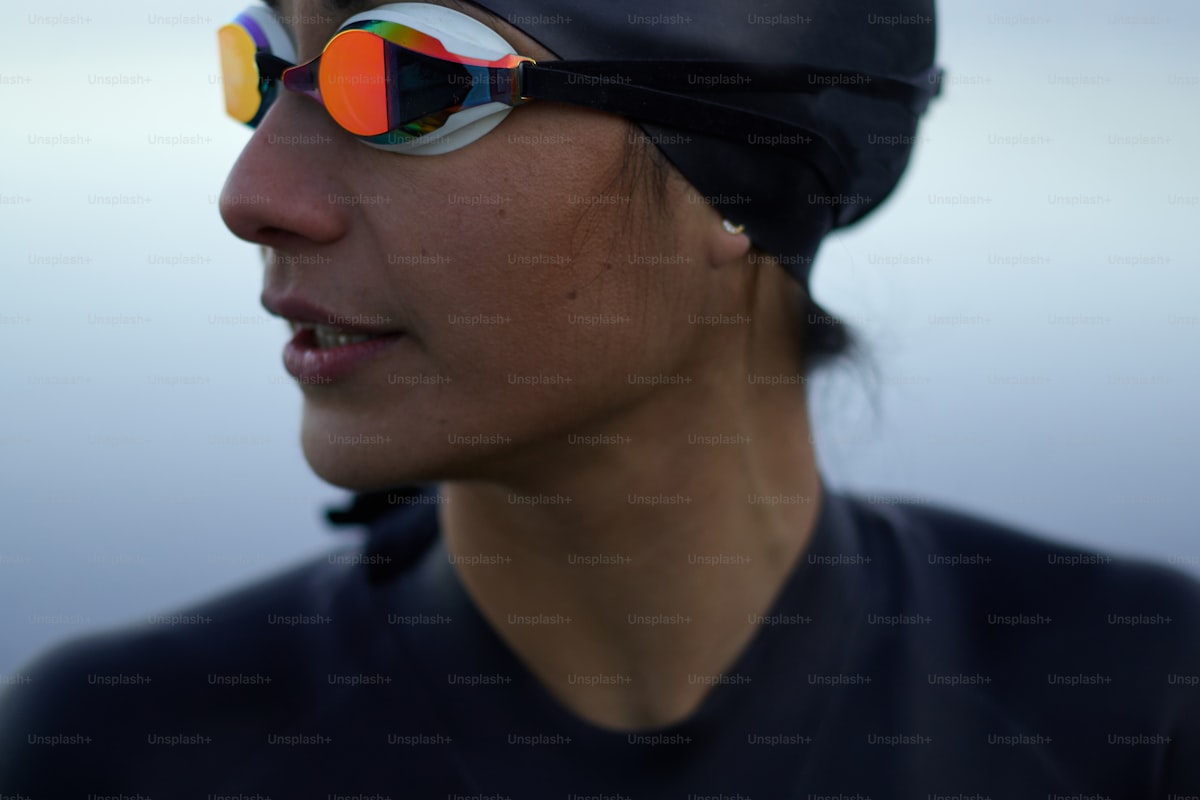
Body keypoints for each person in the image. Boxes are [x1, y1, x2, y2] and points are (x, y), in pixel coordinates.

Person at [2, 0, 1197, 796]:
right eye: (262, 70)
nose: (253, 193)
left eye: (405, 85)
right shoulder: (114, 748)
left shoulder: (1140, 706)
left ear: (739, 180)